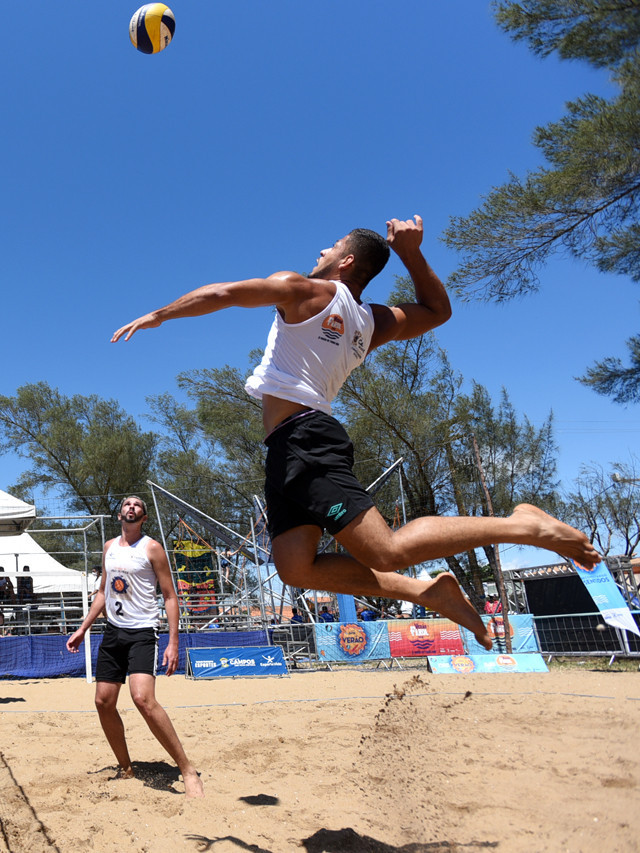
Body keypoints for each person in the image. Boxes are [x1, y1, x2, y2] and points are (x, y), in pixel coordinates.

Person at [112, 216, 601, 649]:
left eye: (329, 247)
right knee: (295, 568)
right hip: (288, 447)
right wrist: (413, 254)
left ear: (345, 261)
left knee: (387, 549)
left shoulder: (304, 291)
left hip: (305, 438)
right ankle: (426, 591)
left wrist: (161, 314)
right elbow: (437, 311)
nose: (319, 251)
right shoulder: (370, 321)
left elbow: (224, 294)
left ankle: (527, 526)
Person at [67, 495, 203, 798]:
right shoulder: (109, 547)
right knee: (103, 702)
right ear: (119, 515)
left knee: (143, 699)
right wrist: (82, 629)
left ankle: (187, 770)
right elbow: (102, 592)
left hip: (143, 632)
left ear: (143, 517)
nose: (131, 507)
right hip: (113, 632)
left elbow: (169, 596)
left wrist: (173, 641)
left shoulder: (151, 548)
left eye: (137, 505)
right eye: (127, 504)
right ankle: (126, 767)